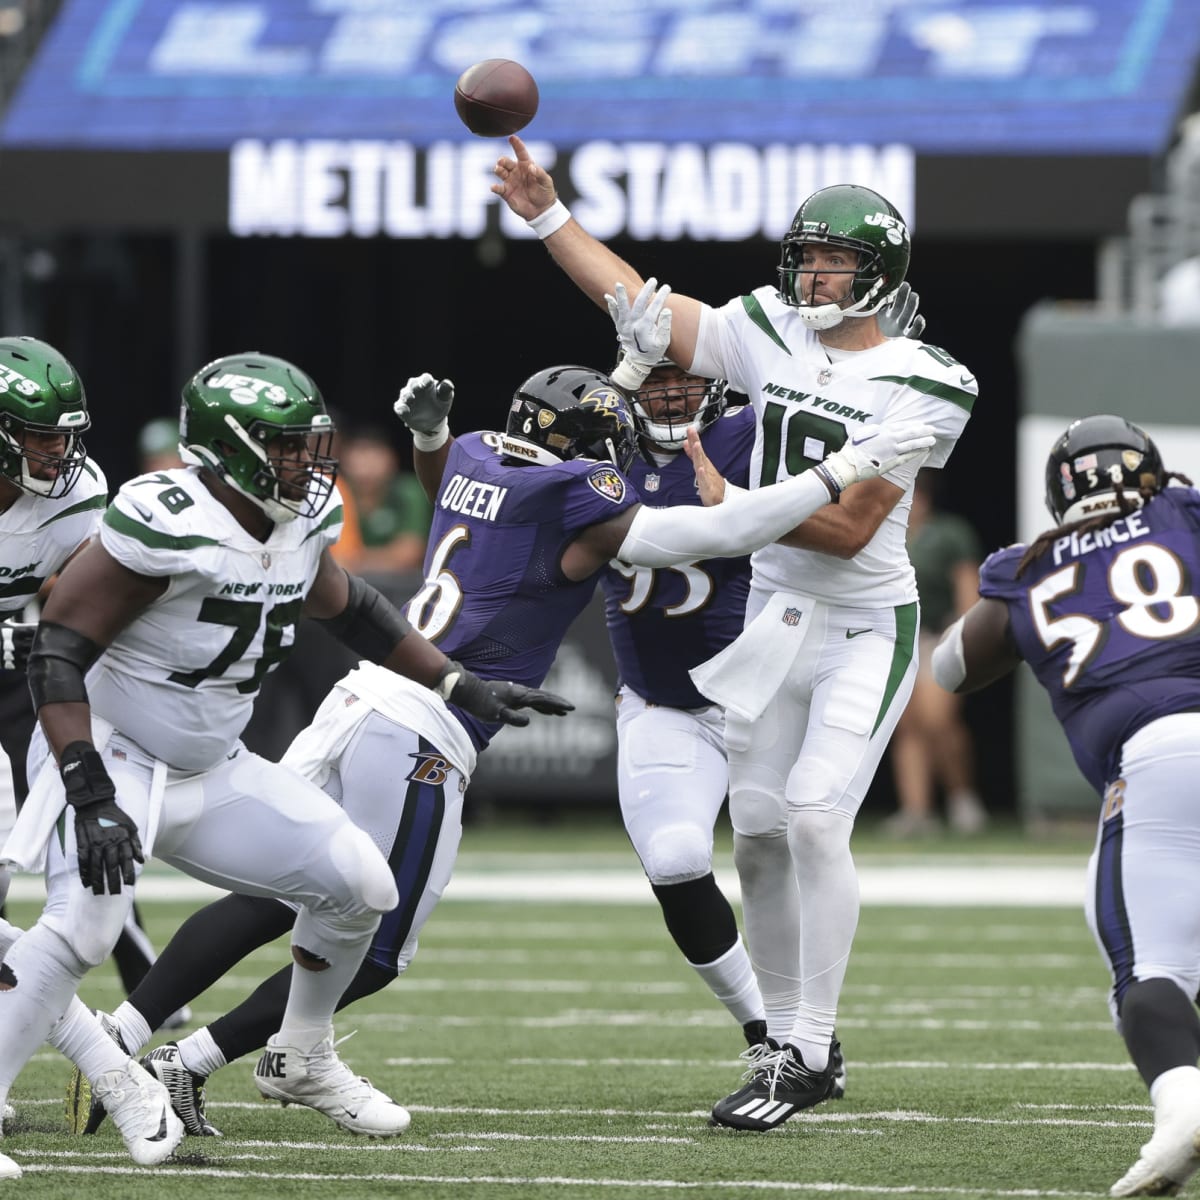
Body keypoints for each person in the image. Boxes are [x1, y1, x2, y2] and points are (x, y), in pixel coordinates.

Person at [59, 358, 934, 1144]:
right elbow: (708, 536)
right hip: (420, 725)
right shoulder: (576, 497)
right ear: (591, 451)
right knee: (378, 938)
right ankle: (198, 1061)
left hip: (360, 700)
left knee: (279, 894)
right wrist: (840, 469)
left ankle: (129, 1034)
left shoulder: (475, 451)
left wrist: (436, 437)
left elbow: (454, 485)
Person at [492, 133, 977, 1130]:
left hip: (861, 623)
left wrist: (736, 500)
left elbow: (846, 534)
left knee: (810, 818)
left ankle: (804, 1048)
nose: (810, 275)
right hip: (774, 614)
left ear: (878, 275)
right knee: (753, 831)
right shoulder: (768, 328)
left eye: (832, 261)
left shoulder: (930, 379)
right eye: (802, 257)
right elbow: (635, 305)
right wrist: (548, 212)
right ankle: (799, 1045)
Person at [0, 351, 571, 1180]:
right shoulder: (162, 518)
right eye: (288, 447)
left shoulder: (299, 519)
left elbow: (355, 610)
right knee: (84, 928)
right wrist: (87, 788)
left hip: (216, 766)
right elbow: (59, 650)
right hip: (119, 758)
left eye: (310, 445)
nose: (307, 463)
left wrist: (459, 683)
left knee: (363, 889)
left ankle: (301, 1053)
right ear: (229, 449)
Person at [931, 415, 1200, 1198]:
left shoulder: (1027, 567)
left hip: (1156, 761)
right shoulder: (1183, 513)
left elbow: (949, 668)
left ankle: (1181, 1109)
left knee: (1146, 970)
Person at [885, 471, 987, 837]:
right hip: (894, 640)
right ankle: (916, 811)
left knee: (938, 720)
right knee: (906, 726)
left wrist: (960, 637)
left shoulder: (949, 534)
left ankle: (962, 799)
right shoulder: (882, 531)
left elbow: (966, 586)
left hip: (936, 637)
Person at [336, 423, 431, 573]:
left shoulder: (409, 491)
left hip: (402, 586)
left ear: (391, 458)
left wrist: (352, 560)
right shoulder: (335, 492)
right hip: (347, 586)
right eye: (359, 456)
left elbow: (409, 554)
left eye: (373, 456)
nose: (365, 467)